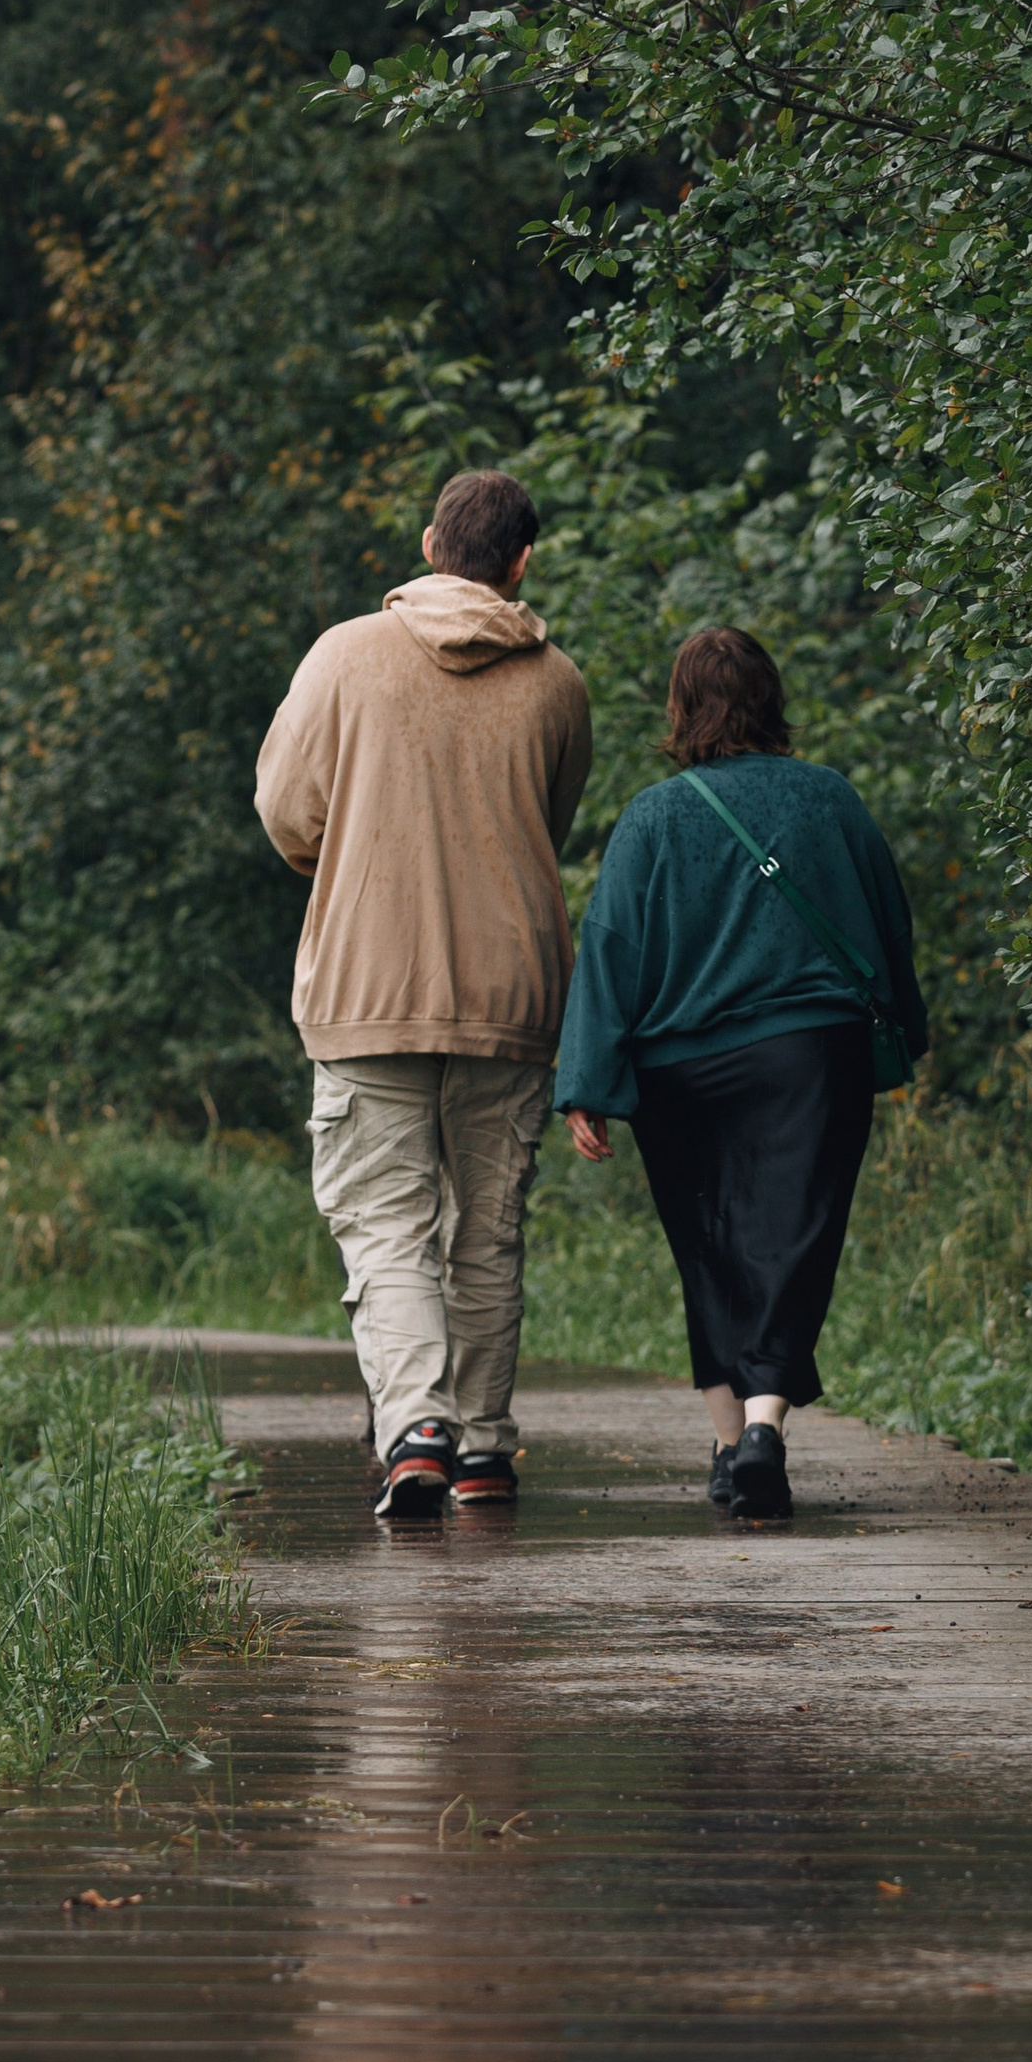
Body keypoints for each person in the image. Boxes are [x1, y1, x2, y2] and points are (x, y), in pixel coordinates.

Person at [256, 469, 593, 1522]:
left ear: (427, 543)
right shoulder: (559, 685)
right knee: (487, 1230)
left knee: (384, 1221)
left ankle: (417, 1427)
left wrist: (348, 856)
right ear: (522, 561)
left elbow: (284, 812)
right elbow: (556, 818)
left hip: (368, 984)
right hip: (513, 988)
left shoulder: (342, 656)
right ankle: (485, 1445)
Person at [553, 626, 926, 1521]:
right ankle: (759, 1430)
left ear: (681, 709)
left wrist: (587, 1080)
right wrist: (902, 1036)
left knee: (709, 1244)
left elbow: (610, 950)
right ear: (772, 701)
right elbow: (889, 920)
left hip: (682, 1066)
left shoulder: (653, 816)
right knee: (793, 1236)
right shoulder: (829, 800)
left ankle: (731, 1444)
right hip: (811, 1054)